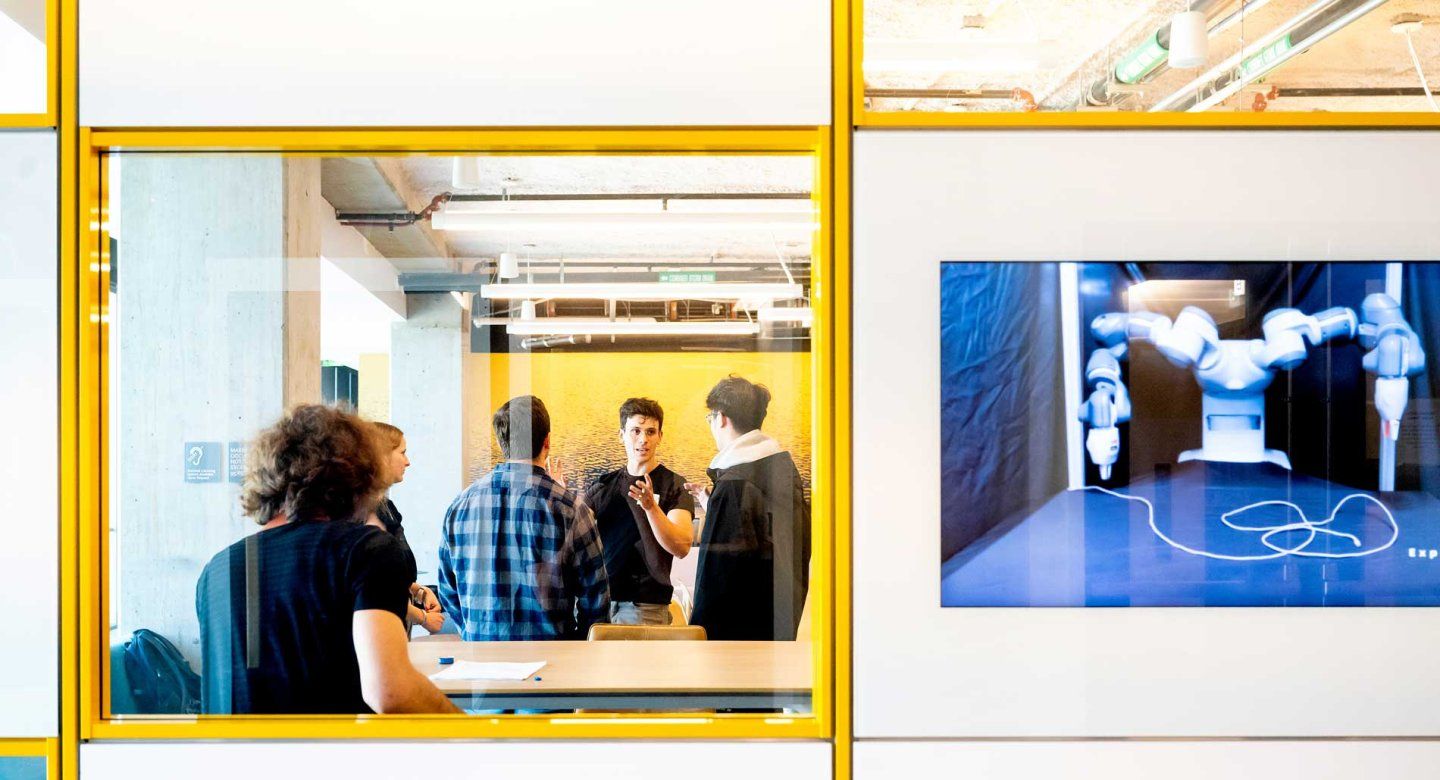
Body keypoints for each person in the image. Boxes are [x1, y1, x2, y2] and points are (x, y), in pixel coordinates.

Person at [195, 404, 458, 714]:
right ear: (358, 473)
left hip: (236, 759)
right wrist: (467, 728)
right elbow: (390, 691)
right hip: (334, 756)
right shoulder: (366, 550)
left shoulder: (217, 570)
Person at [436, 395, 610, 640]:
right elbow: (596, 603)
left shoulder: (460, 506)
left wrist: (473, 633)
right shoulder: (571, 509)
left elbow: (447, 590)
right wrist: (577, 651)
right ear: (547, 441)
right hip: (554, 665)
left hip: (480, 664)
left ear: (501, 442)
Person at [687, 375, 812, 641]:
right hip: (777, 631)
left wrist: (697, 638)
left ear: (721, 418)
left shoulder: (734, 485)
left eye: (710, 418)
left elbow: (716, 580)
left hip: (733, 643)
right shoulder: (783, 474)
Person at [583, 398, 694, 626]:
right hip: (598, 603)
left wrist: (650, 508)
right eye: (635, 431)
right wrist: (559, 497)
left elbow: (682, 546)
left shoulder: (674, 484)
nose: (643, 439)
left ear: (660, 436)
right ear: (621, 434)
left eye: (651, 432)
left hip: (646, 607)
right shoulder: (603, 485)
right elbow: (574, 537)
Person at [368, 422, 444, 635]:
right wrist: (423, 618)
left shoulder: (386, 507)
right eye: (402, 453)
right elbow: (375, 589)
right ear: (382, 456)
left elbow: (388, 574)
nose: (408, 462)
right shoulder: (364, 514)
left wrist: (418, 590)